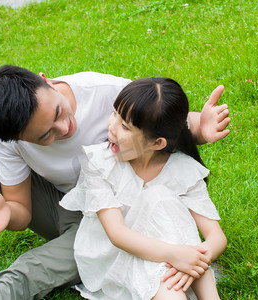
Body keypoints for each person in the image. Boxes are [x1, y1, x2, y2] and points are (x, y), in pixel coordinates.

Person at [0, 65, 230, 300]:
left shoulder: (104, 94)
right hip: (68, 205)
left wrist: (201, 128)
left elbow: (156, 116)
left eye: (58, 112)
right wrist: (8, 210)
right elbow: (22, 209)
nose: (64, 128)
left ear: (46, 81)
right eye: (45, 135)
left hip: (109, 222)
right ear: (20, 139)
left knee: (27, 269)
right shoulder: (7, 140)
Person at [60, 77, 227, 300]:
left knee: (161, 198)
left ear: (157, 143)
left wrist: (189, 260)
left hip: (171, 256)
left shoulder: (181, 169)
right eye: (114, 114)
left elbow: (216, 237)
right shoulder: (99, 163)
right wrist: (175, 254)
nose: (111, 126)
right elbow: (117, 235)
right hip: (115, 256)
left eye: (125, 126)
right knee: (168, 285)